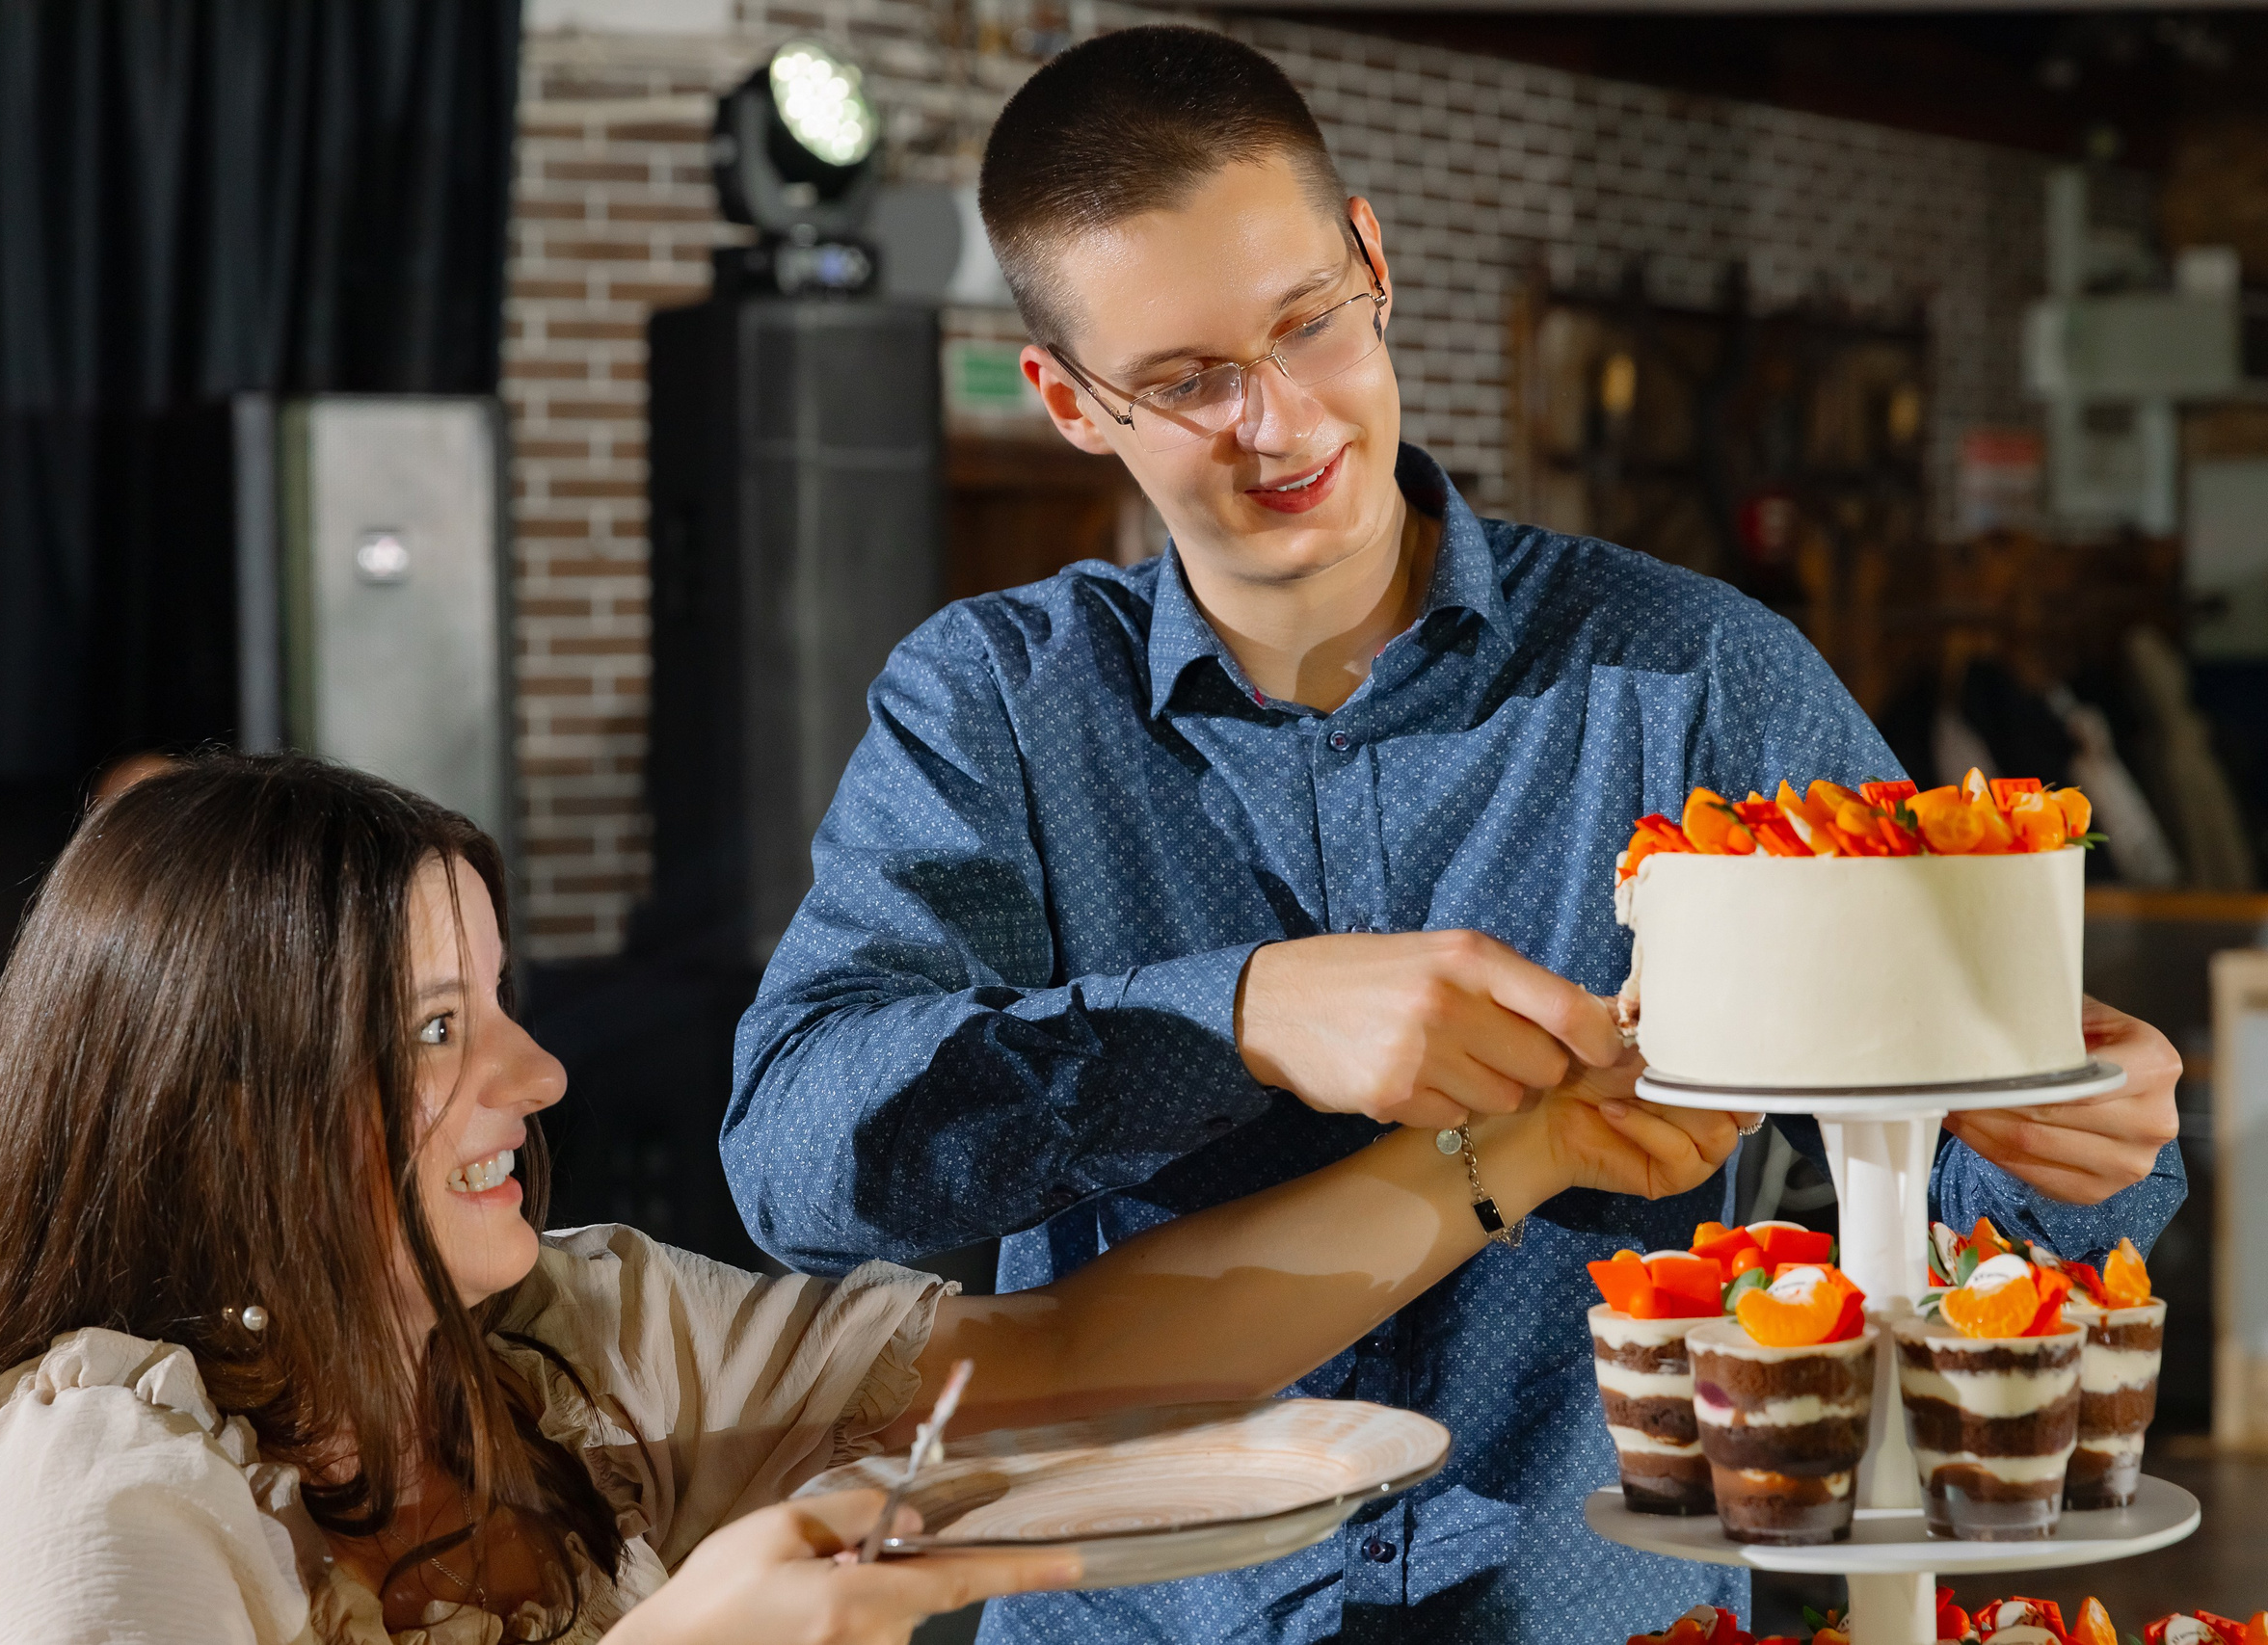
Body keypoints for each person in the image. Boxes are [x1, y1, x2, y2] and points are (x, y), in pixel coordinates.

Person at [721, 25, 2189, 1643]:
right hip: (1134, 1615)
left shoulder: (1696, 676)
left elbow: (1983, 1182)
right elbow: (796, 1161)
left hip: (1596, 1608)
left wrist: (2087, 1147)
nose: (1281, 422)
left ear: (1373, 260)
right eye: (1190, 381)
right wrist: (1237, 1016)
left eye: (1307, 324)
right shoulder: (997, 701)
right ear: (1072, 403)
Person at [0, 754, 1748, 1645]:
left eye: (499, 1000)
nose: (536, 1074)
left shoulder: (566, 1339)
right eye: (436, 1029)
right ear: (227, 1102)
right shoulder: (100, 1488)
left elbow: (1066, 1353)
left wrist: (1521, 1150)